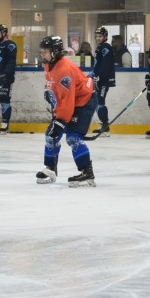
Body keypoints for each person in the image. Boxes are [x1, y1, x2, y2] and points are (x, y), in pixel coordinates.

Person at [35, 36, 98, 187]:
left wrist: (61, 121)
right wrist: (49, 90)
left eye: (45, 52)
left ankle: (87, 172)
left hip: (84, 100)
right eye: (41, 51)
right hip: (72, 100)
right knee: (51, 135)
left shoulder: (64, 70)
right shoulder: (49, 64)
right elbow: (54, 85)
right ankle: (51, 168)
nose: (42, 55)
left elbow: (68, 101)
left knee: (73, 137)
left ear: (55, 52)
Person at [90, 26, 115, 136]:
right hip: (99, 79)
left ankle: (105, 126)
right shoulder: (99, 48)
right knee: (97, 102)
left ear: (105, 37)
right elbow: (98, 65)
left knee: (100, 102)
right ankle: (104, 125)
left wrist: (99, 76)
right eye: (96, 36)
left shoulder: (106, 47)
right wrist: (92, 74)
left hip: (104, 81)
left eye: (100, 36)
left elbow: (106, 65)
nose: (98, 38)